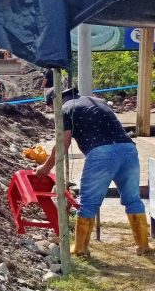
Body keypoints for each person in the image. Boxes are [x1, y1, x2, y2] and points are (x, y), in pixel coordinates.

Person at [36, 88, 151, 258]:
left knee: (88, 203)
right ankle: (143, 246)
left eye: (50, 106)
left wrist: (45, 168)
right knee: (133, 199)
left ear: (54, 101)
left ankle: (81, 248)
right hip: (128, 149)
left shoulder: (65, 108)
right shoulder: (97, 101)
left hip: (101, 154)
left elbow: (62, 143)